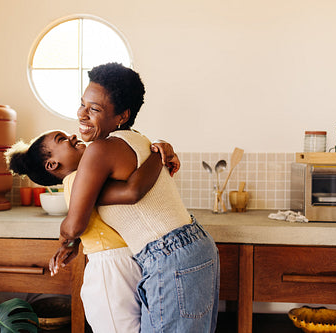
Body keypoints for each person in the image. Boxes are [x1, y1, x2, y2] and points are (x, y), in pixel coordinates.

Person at [49, 62, 220, 332]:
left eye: (94, 109)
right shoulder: (138, 139)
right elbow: (129, 191)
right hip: (192, 245)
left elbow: (76, 224)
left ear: (122, 115)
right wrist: (162, 150)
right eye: (83, 104)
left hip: (170, 254)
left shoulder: (100, 150)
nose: (81, 114)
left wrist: (65, 239)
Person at [6, 130, 178, 333]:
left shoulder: (89, 178)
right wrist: (158, 155)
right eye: (61, 139)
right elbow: (131, 193)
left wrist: (73, 242)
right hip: (109, 268)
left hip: (122, 263)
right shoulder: (75, 180)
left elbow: (95, 216)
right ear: (52, 164)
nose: (71, 137)